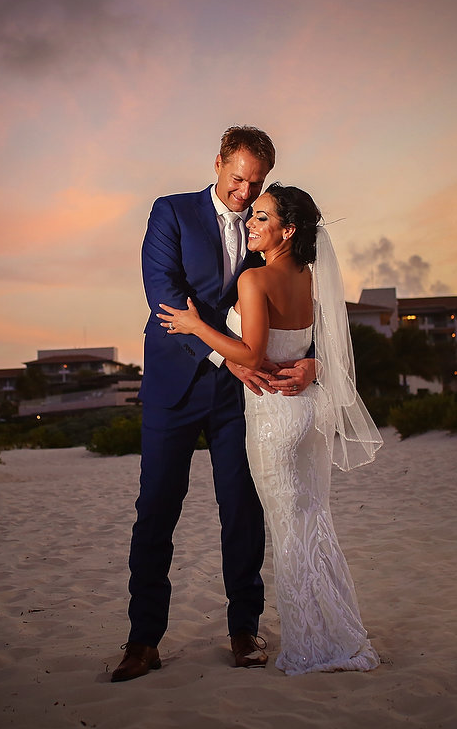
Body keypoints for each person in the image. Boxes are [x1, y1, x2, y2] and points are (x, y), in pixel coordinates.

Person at [113, 127, 316, 683]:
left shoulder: (262, 234)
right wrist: (227, 359)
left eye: (255, 184)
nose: (244, 193)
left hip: (240, 398)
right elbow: (164, 296)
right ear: (219, 163)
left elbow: (287, 301)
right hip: (174, 389)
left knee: (242, 512)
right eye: (237, 178)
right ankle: (143, 639)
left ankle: (244, 629)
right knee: (156, 511)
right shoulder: (171, 213)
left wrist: (313, 358)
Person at [158, 183, 383, 675]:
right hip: (311, 413)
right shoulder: (309, 278)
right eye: (252, 216)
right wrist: (314, 367)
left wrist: (198, 327)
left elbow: (252, 355)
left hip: (275, 420)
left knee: (289, 531)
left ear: (288, 229)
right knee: (315, 523)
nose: (250, 224)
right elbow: (325, 350)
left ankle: (311, 646)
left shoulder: (255, 281)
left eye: (261, 218)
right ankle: (341, 631)